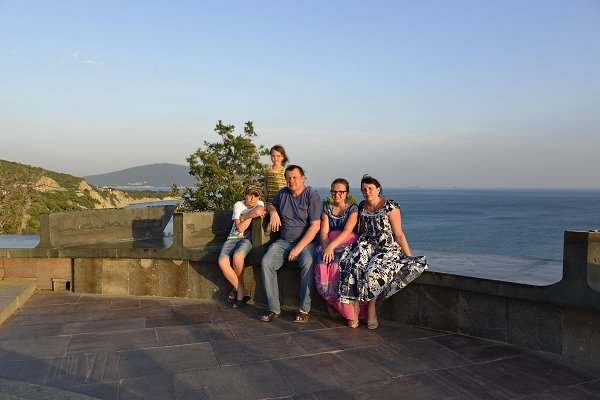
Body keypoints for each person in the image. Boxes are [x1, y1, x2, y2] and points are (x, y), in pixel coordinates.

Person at [338, 175, 428, 329]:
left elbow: (399, 234)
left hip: (387, 247)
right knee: (353, 263)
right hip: (367, 245)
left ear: (378, 189)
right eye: (364, 189)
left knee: (373, 270)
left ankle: (371, 308)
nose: (367, 192)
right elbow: (362, 231)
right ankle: (355, 308)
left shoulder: (390, 206)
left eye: (370, 188)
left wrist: (408, 256)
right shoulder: (362, 206)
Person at [260, 165, 322, 322]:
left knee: (308, 262)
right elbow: (270, 204)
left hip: (306, 243)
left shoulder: (312, 196)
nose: (291, 180)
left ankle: (304, 309)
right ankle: (273, 308)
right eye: (288, 178)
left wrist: (298, 248)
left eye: (295, 177)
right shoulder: (282, 194)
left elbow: (315, 226)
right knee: (266, 262)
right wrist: (273, 212)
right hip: (284, 242)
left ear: (303, 178)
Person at [314, 178, 367, 327]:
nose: (337, 194)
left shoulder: (353, 208)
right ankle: (333, 303)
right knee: (322, 264)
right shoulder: (327, 208)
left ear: (346, 193)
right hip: (329, 243)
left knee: (338, 267)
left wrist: (332, 247)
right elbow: (324, 231)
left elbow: (347, 230)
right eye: (334, 191)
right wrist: (327, 247)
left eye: (341, 192)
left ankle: (350, 313)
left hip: (347, 243)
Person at [218, 186, 266, 309]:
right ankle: (241, 290)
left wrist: (244, 217)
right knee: (222, 262)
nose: (252, 199)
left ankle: (238, 293)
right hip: (232, 238)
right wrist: (251, 215)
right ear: (245, 195)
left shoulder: (259, 203)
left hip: (247, 239)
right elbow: (239, 228)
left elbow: (258, 211)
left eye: (256, 196)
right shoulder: (238, 205)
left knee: (238, 257)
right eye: (250, 195)